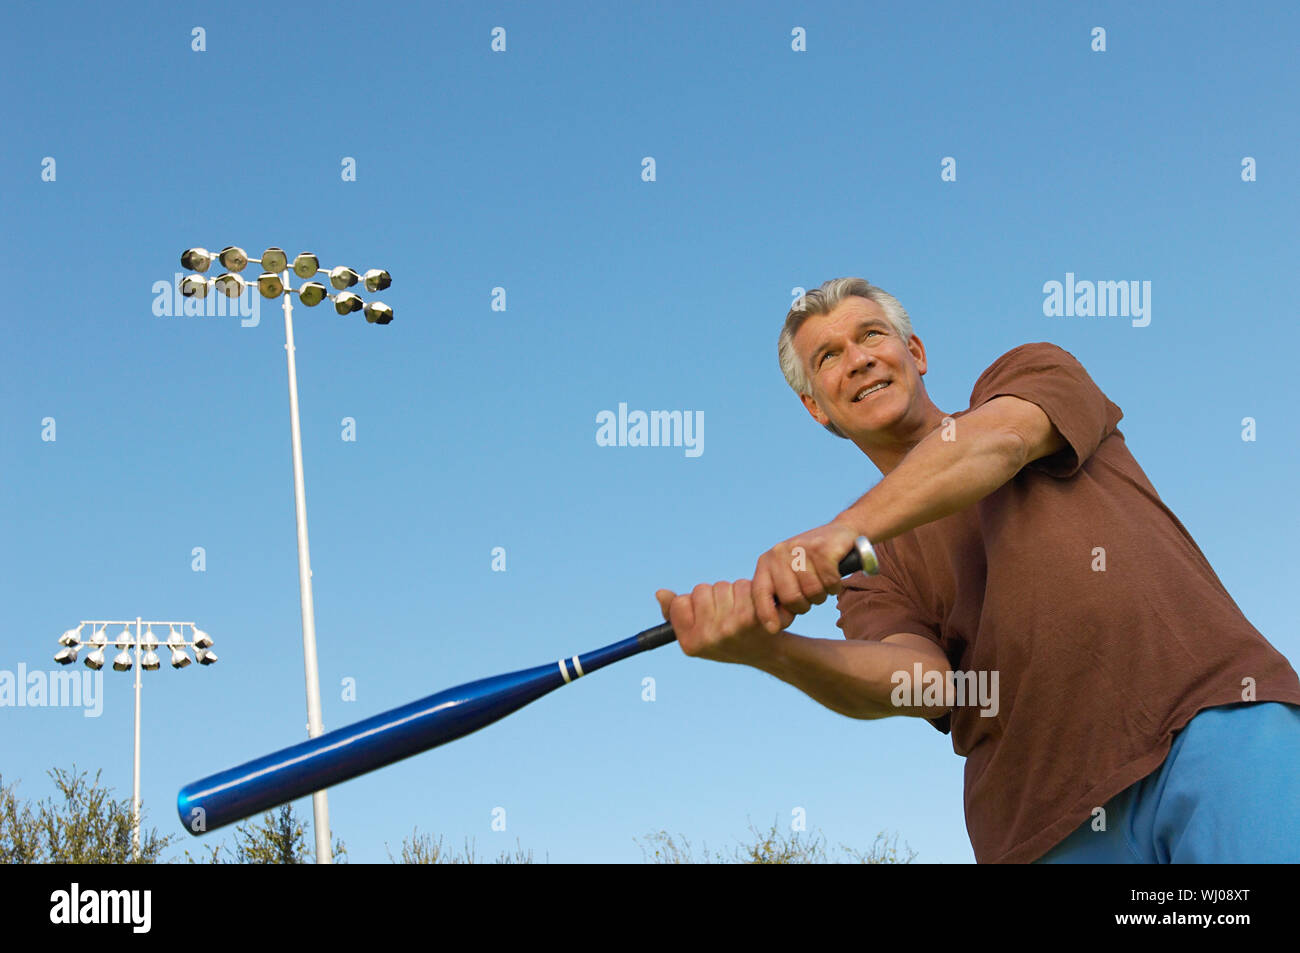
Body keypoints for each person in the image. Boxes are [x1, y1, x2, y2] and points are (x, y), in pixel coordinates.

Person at [655, 277, 1300, 863]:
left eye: (871, 335)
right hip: (1042, 830)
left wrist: (841, 531)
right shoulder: (868, 577)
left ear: (918, 354)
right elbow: (925, 684)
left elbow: (1000, 442)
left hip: (1213, 726)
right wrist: (771, 652)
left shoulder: (1028, 375)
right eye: (828, 357)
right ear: (815, 407)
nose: (857, 359)